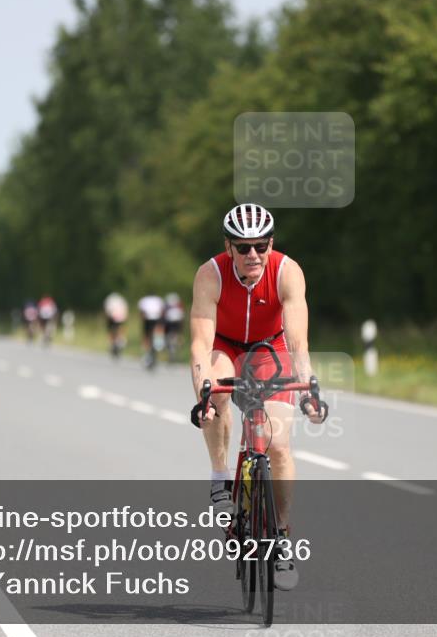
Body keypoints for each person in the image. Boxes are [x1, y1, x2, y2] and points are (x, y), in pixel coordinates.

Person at [189, 203, 326, 591]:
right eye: (243, 246)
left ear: (271, 242)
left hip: (272, 349)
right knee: (215, 395)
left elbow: (298, 340)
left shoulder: (287, 271)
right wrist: (202, 391)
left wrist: (309, 387)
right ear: (228, 246)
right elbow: (200, 343)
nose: (253, 254)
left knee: (279, 446)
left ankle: (282, 539)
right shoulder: (209, 274)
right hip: (224, 346)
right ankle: (220, 479)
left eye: (261, 245)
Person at [137, 293, 166, 368]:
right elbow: (162, 311)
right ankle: (159, 344)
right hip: (157, 318)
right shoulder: (158, 299)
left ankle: (146, 351)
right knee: (158, 331)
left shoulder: (144, 300)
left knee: (146, 335)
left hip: (148, 319)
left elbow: (141, 312)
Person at [104, 292, 129, 358]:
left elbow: (108, 310)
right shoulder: (121, 299)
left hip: (113, 317)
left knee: (111, 330)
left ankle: (112, 343)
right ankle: (121, 339)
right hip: (121, 317)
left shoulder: (110, 299)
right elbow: (125, 309)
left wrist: (108, 317)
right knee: (120, 328)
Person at [163, 292, 185, 362]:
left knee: (167, 335)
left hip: (169, 322)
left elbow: (164, 314)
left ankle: (171, 345)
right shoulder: (179, 306)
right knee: (177, 334)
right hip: (177, 321)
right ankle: (177, 342)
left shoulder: (167, 305)